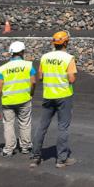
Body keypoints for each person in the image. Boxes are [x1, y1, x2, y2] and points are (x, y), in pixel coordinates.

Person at [30, 30, 77, 169]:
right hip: (64, 96)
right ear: (66, 42)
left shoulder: (45, 57)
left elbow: (40, 77)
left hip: (48, 95)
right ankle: (61, 159)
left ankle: (35, 156)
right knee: (63, 127)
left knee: (42, 126)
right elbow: (72, 79)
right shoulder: (68, 58)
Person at [0, 41, 36, 157]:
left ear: (11, 53)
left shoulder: (3, 68)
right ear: (22, 52)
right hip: (24, 99)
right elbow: (33, 82)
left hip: (8, 101)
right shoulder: (28, 65)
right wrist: (31, 93)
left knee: (8, 124)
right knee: (25, 123)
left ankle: (9, 149)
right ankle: (26, 146)